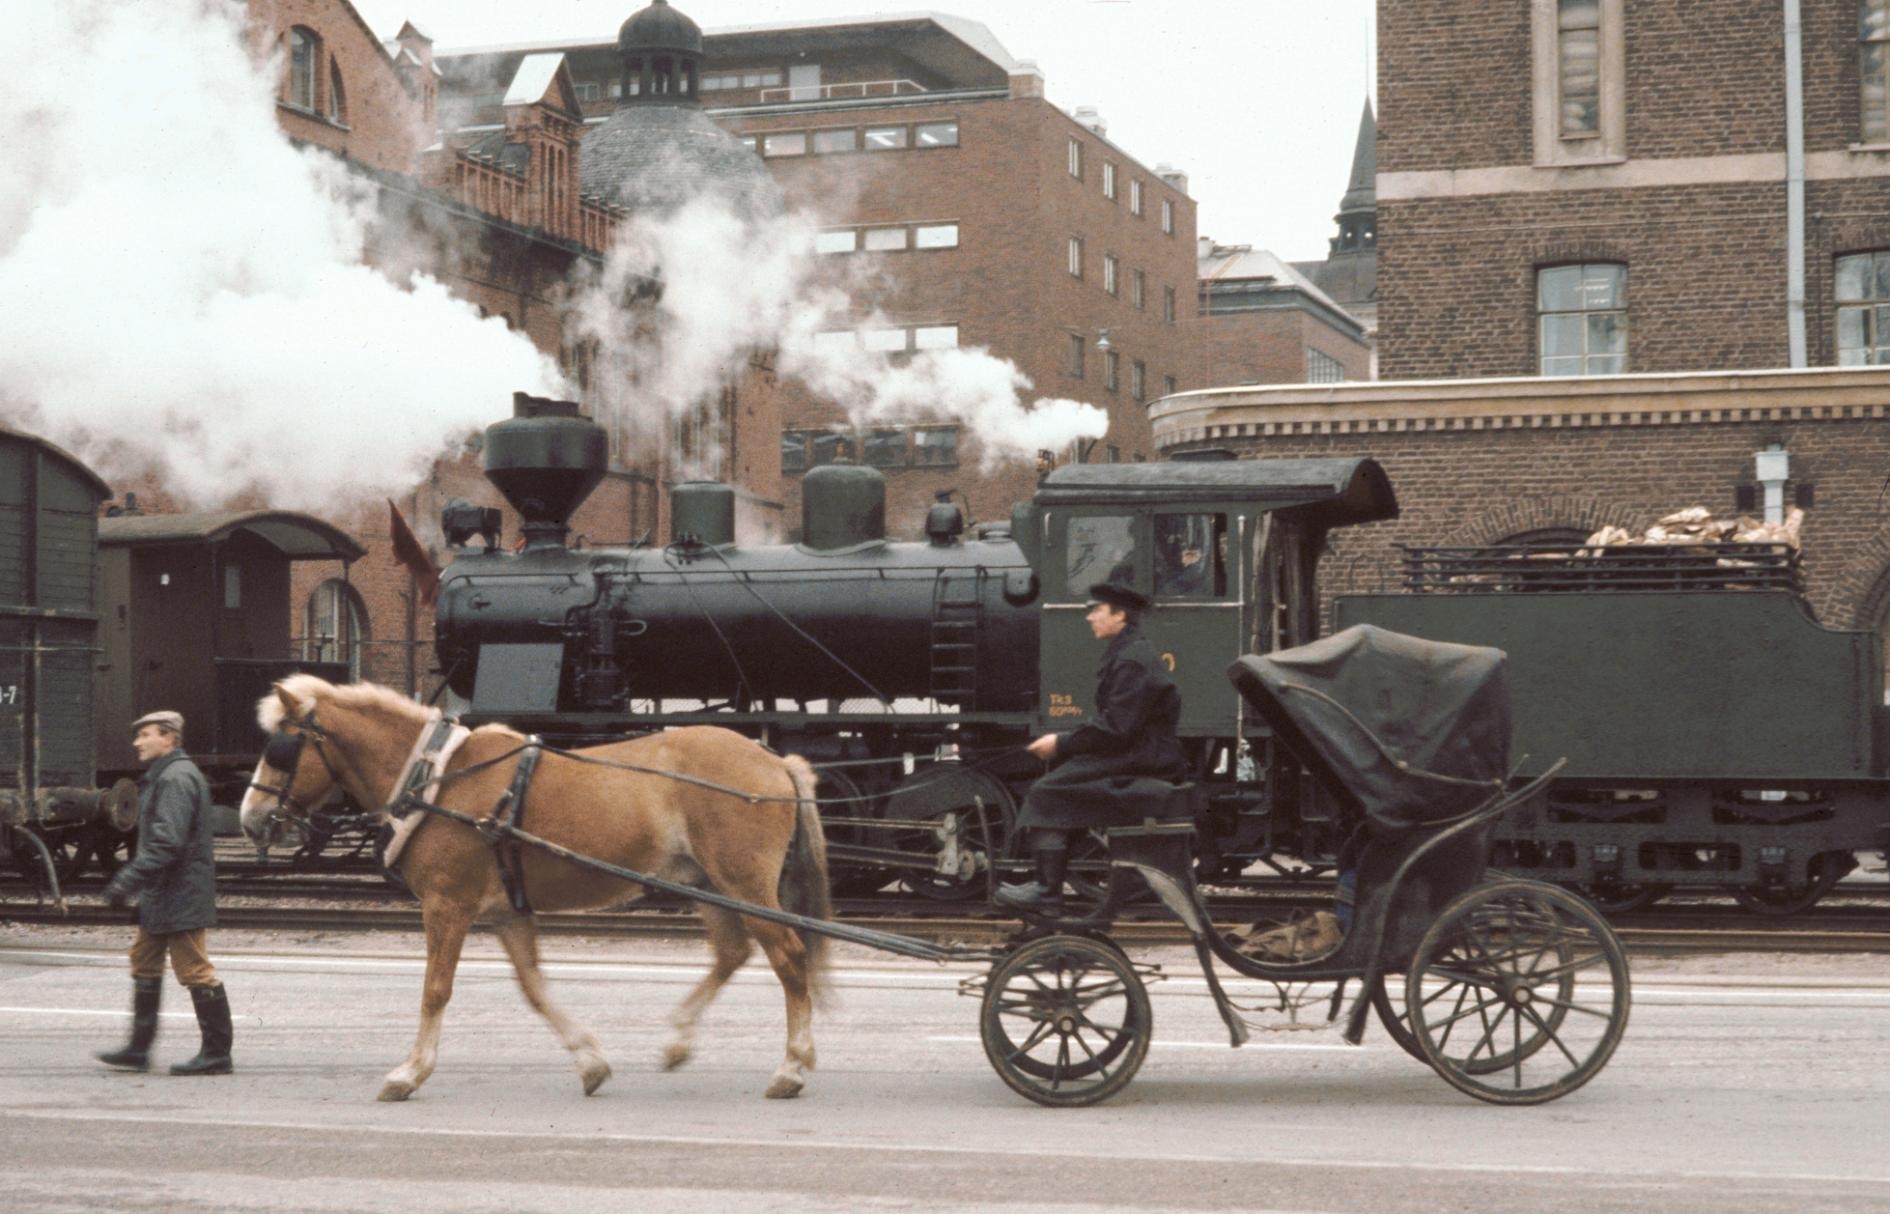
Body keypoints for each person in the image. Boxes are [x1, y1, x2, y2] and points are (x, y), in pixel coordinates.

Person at [996, 579, 1187, 917]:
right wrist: (1069, 742)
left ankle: (1047, 893)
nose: (1090, 617)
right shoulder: (1128, 653)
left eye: (1097, 610)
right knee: (1058, 779)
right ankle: (1045, 886)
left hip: (1142, 758)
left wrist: (1062, 743)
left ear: (1120, 616)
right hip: (1138, 751)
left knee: (1046, 790)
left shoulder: (1132, 661)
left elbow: (1116, 729)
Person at [96, 710, 233, 1076]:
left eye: (145, 735)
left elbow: (166, 843)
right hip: (163, 893)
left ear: (169, 738)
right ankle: (138, 1049)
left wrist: (127, 881)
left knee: (195, 970)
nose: (137, 742)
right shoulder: (165, 775)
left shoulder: (175, 778)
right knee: (144, 960)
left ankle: (217, 1054)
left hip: (179, 892)